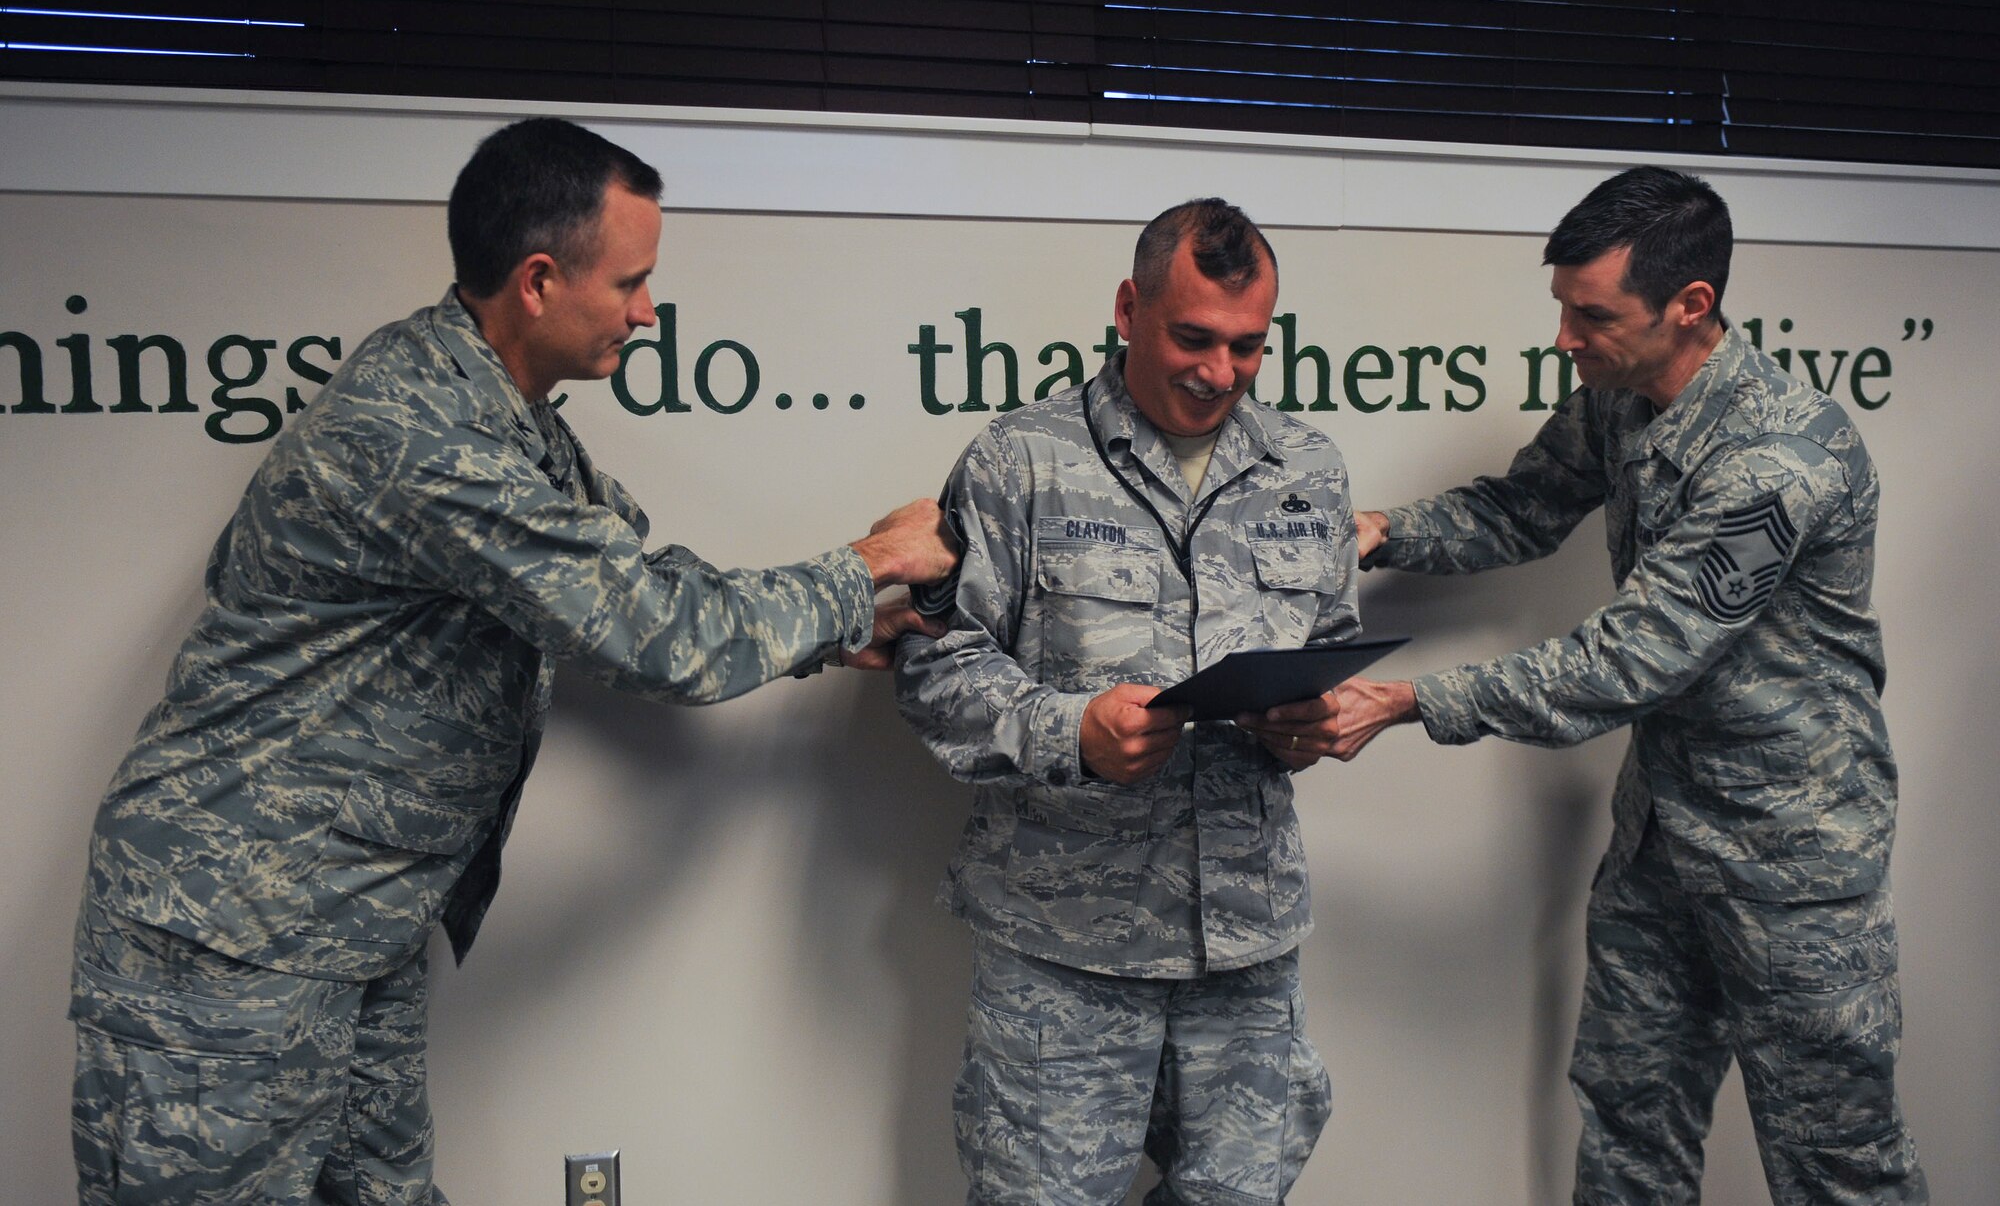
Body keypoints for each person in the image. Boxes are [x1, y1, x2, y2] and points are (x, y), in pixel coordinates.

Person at [67, 116, 957, 1204]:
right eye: (631, 281)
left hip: (352, 917)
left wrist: (830, 622)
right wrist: (862, 563)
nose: (646, 308)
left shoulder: (504, 411)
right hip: (228, 939)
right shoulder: (418, 429)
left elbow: (622, 583)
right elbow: (648, 632)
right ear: (539, 280)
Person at [1325, 166, 1926, 1203]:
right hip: (1662, 841)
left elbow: (1632, 657)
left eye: (1589, 314)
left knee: (1836, 1165)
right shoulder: (1619, 401)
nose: (1564, 339)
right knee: (1626, 1117)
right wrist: (1382, 531)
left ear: (1689, 306)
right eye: (1561, 309)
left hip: (1790, 863)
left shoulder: (1779, 456)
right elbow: (1524, 505)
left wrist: (1407, 701)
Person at [896, 199, 1360, 1205]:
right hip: (1063, 959)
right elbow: (933, 671)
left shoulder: (1307, 470)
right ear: (1127, 307)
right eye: (1193, 337)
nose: (1219, 372)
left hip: (1246, 947)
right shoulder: (1018, 462)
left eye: (1247, 347)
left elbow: (1325, 649)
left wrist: (1309, 722)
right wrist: (1072, 732)